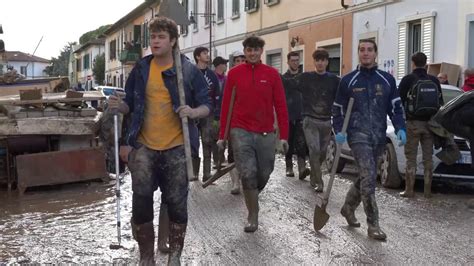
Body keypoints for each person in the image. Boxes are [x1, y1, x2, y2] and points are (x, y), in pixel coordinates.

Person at [108, 16, 210, 265]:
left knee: (176, 203)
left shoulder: (188, 70)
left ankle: (174, 256)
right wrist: (118, 108)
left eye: (161, 37)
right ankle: (146, 257)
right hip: (144, 146)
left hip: (177, 147)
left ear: (173, 41)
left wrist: (193, 112)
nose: (155, 41)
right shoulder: (141, 69)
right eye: (152, 37)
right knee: (141, 202)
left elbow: (208, 104)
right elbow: (130, 105)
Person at [332, 39, 406, 241]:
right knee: (368, 174)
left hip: (379, 135)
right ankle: (373, 225)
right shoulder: (348, 80)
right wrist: (339, 130)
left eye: (369, 50)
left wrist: (400, 128)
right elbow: (338, 109)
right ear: (358, 53)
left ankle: (348, 207)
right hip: (358, 135)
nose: (365, 53)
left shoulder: (386, 80)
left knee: (368, 175)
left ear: (375, 53)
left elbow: (396, 107)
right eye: (362, 50)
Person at [217, 36, 289, 232]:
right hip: (240, 130)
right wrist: (222, 135)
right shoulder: (235, 74)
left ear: (261, 51)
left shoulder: (272, 74)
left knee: (264, 172)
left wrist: (284, 136)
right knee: (248, 173)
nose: (252, 53)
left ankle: (252, 196)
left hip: (266, 131)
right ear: (245, 52)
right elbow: (226, 107)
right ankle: (252, 215)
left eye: (256, 50)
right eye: (249, 50)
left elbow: (281, 105)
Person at [293, 48, 339, 191]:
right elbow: (288, 84)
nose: (320, 63)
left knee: (322, 154)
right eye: (317, 60)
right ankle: (320, 182)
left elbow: (342, 96)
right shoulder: (306, 77)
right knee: (314, 150)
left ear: (327, 62)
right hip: (310, 120)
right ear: (314, 61)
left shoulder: (334, 80)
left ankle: (314, 174)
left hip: (326, 121)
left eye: (323, 60)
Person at [399, 52, 443, 198]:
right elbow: (440, 102)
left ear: (412, 63)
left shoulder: (407, 79)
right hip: (430, 125)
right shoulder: (434, 80)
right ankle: (427, 191)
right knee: (428, 158)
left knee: (410, 157)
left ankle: (409, 190)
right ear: (426, 64)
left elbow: (398, 101)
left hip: (413, 123)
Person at [280, 51, 310, 180]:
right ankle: (289, 167)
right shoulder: (283, 78)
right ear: (288, 62)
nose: (295, 62)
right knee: (289, 142)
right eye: (293, 60)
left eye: (297, 60)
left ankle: (302, 168)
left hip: (301, 114)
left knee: (301, 142)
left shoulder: (303, 78)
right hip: (287, 115)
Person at [193, 46, 220, 182]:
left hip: (208, 112)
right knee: (193, 143)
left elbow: (217, 93)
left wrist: (216, 112)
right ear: (198, 56)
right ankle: (194, 172)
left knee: (207, 142)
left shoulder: (212, 74)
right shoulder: (192, 72)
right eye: (204, 53)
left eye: (208, 53)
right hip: (192, 112)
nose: (207, 55)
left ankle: (207, 172)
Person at [226, 51, 247, 195]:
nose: (240, 62)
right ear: (233, 62)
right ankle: (235, 182)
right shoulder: (230, 78)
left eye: (242, 60)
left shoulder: (250, 77)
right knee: (233, 153)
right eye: (237, 60)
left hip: (249, 123)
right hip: (233, 122)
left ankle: (246, 179)